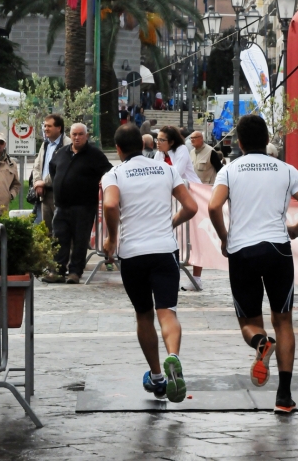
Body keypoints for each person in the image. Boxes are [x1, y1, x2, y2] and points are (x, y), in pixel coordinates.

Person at [208, 115, 298, 414]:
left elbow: (213, 206)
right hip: (278, 250)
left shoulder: (229, 170)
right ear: (268, 138)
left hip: (242, 251)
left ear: (240, 142)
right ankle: (284, 397)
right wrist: (297, 228)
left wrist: (225, 238)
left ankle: (261, 343)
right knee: (283, 321)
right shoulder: (286, 170)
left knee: (249, 322)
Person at [102, 123, 198, 402]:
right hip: (164, 250)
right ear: (145, 145)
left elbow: (109, 205)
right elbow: (191, 207)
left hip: (133, 253)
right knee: (167, 311)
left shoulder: (114, 173)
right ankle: (173, 357)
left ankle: (157, 375)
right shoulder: (166, 169)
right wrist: (172, 222)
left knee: (144, 315)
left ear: (118, 149)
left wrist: (111, 238)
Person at [42, 123, 112, 284]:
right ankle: (58, 271)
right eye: (74, 134)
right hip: (61, 205)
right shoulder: (62, 153)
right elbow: (53, 169)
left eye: (80, 134)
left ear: (86, 136)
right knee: (59, 239)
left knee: (80, 240)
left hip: (84, 206)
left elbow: (108, 172)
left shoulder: (94, 155)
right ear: (70, 135)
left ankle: (75, 272)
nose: (77, 137)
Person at [154, 126, 204, 290]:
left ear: (171, 142)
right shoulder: (160, 154)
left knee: (195, 237)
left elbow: (176, 172)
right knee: (174, 235)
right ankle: (170, 273)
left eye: (162, 140)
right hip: (171, 199)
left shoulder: (181, 150)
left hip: (191, 196)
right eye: (157, 139)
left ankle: (197, 278)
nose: (158, 143)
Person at [32, 114, 71, 233]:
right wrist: (37, 183)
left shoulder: (68, 145)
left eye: (49, 126)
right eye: (45, 126)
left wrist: (42, 183)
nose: (45, 128)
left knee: (62, 233)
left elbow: (60, 170)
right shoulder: (45, 144)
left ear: (59, 128)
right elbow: (37, 166)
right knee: (46, 234)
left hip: (60, 196)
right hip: (44, 195)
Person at [0, 132, 20, 214]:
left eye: (1, 142)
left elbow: (16, 184)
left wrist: (10, 195)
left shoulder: (12, 164)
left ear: (4, 144)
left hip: (2, 208)